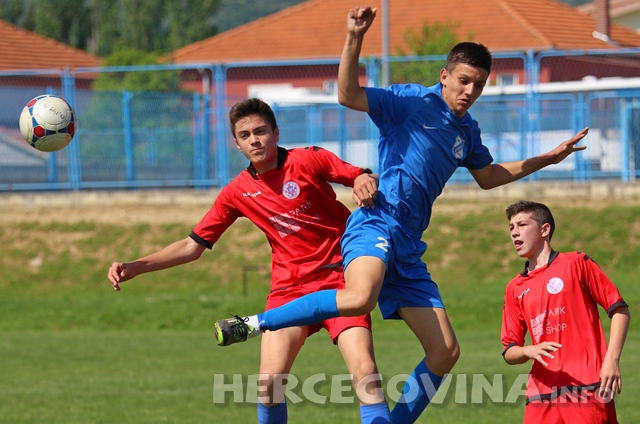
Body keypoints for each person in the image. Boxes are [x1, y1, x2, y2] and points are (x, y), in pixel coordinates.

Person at [214, 6, 589, 423]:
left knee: (445, 353)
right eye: (463, 80)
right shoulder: (411, 101)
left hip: (408, 245)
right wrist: (355, 36)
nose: (469, 91)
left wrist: (547, 159)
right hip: (375, 222)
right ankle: (253, 324)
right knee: (359, 298)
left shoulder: (467, 130)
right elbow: (348, 95)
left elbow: (487, 175)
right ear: (445, 75)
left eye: (478, 85)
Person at [107, 98, 393, 424]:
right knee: (269, 384)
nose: (254, 140)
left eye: (260, 131)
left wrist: (362, 181)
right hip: (290, 289)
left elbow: (357, 175)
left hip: (339, 282)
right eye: (245, 135)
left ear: (276, 132)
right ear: (238, 144)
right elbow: (193, 245)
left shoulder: (309, 159)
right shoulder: (237, 192)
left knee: (365, 372)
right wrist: (136, 266)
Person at [501, 200, 630, 423]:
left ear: (544, 230)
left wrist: (612, 359)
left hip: (586, 386)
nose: (514, 232)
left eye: (522, 225)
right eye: (511, 227)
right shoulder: (515, 288)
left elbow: (619, 310)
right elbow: (509, 350)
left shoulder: (576, 263)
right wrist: (528, 351)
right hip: (540, 394)